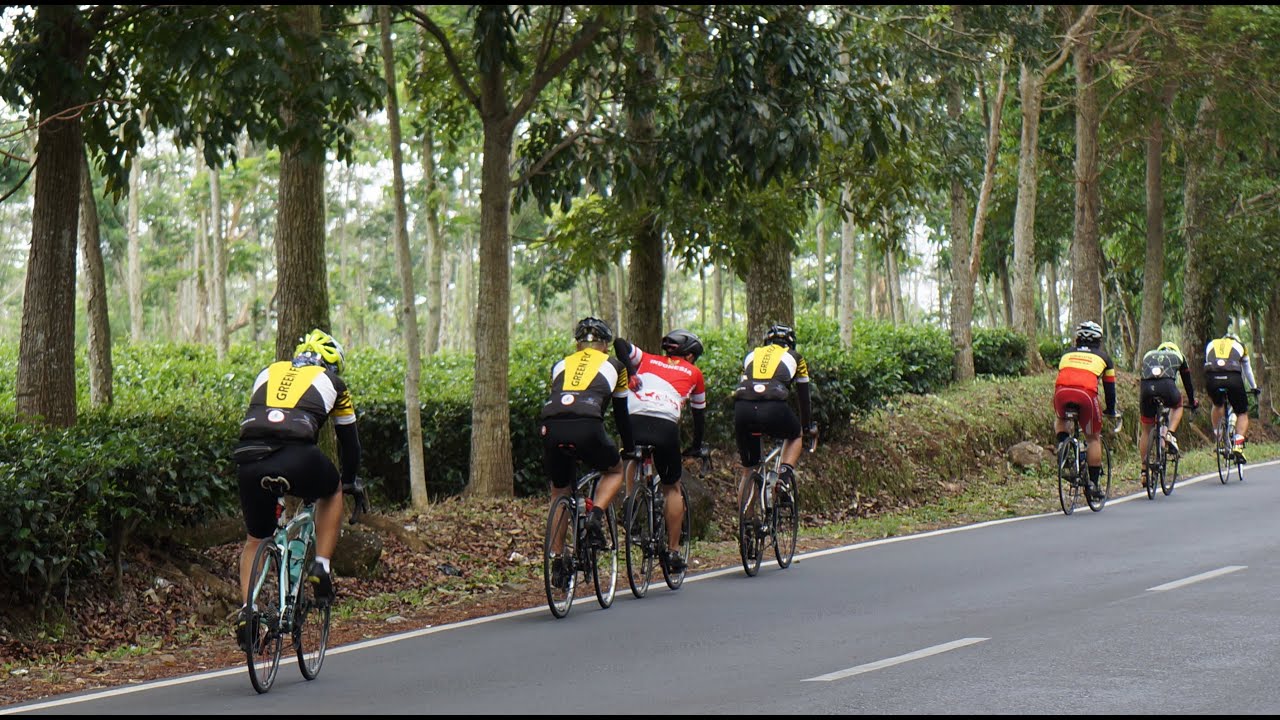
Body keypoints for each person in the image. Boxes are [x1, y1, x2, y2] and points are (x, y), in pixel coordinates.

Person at [231, 329, 361, 651]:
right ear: (331, 364)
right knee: (331, 491)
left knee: (255, 538)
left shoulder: (268, 372)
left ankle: (250, 610)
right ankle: (322, 566)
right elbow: (350, 442)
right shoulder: (335, 385)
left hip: (249, 458)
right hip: (299, 457)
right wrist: (350, 481)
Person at [539, 317, 634, 589]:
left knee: (560, 491)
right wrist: (629, 447)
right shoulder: (616, 365)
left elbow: (560, 399)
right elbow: (621, 414)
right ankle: (596, 516)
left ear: (578, 344)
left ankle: (557, 559)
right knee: (614, 470)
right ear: (605, 344)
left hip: (551, 428)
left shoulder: (560, 365)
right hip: (588, 428)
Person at [612, 329, 708, 573]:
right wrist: (697, 446)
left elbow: (619, 343)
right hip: (665, 426)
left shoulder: (646, 358)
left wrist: (632, 373)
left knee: (634, 452)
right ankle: (673, 552)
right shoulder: (695, 373)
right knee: (671, 487)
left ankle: (630, 501)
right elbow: (699, 415)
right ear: (690, 356)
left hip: (634, 421)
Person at [732, 323, 817, 522]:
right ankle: (784, 478)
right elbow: (804, 398)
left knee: (749, 470)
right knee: (795, 434)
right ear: (790, 344)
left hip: (743, 408)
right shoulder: (796, 358)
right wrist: (807, 426)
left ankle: (747, 526)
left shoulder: (751, 355)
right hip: (774, 407)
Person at [1053, 321, 1120, 502]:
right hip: (1086, 396)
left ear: (1077, 339)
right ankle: (1093, 485)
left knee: (1060, 419)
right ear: (1099, 340)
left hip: (1062, 393)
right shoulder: (1104, 358)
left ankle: (1063, 445)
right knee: (1092, 438)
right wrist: (1111, 409)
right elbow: (1110, 389)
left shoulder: (1066, 354)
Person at [1137, 341, 1198, 487]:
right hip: (1167, 387)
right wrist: (1192, 401)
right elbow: (1187, 383)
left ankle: (1144, 471)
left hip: (1146, 390)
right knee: (1178, 405)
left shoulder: (1149, 355)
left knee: (1146, 431)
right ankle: (1169, 433)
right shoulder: (1179, 356)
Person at [1205, 331, 1261, 462]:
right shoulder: (1240, 346)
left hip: (1212, 378)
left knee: (1217, 404)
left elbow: (1207, 363)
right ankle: (1238, 443)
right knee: (1242, 412)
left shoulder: (1211, 344)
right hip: (1233, 379)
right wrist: (1254, 387)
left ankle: (1218, 435)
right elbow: (1247, 369)